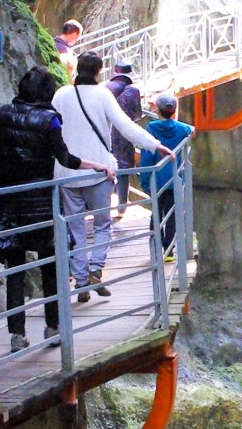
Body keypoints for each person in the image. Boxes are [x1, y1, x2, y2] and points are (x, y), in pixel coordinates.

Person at [0, 67, 114, 351]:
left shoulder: (2, 115)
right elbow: (64, 158)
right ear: (47, 92)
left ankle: (17, 334)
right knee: (49, 264)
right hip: (40, 203)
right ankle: (52, 327)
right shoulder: (49, 121)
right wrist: (96, 165)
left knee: (15, 268)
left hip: (8, 201)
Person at [52, 51, 169, 300]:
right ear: (98, 72)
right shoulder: (102, 95)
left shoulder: (61, 94)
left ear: (77, 69)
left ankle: (81, 279)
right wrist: (154, 145)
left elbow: (51, 127)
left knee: (76, 228)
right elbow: (125, 125)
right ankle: (96, 269)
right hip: (98, 171)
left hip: (67, 172)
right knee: (102, 224)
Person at [144, 92, 194, 256]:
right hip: (175, 179)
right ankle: (169, 250)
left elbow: (146, 155)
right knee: (172, 215)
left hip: (156, 179)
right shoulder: (181, 129)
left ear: (157, 111)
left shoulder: (151, 128)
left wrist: (145, 180)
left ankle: (155, 248)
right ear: (174, 111)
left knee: (156, 214)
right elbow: (192, 131)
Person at [105, 59, 144, 207]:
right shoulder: (134, 91)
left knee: (108, 165)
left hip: (107, 130)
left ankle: (106, 202)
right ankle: (122, 204)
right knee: (124, 167)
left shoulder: (106, 87)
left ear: (116, 72)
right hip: (125, 132)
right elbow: (138, 114)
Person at [54, 18, 83, 83]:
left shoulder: (52, 42)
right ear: (75, 33)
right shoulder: (65, 51)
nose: (77, 39)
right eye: (78, 36)